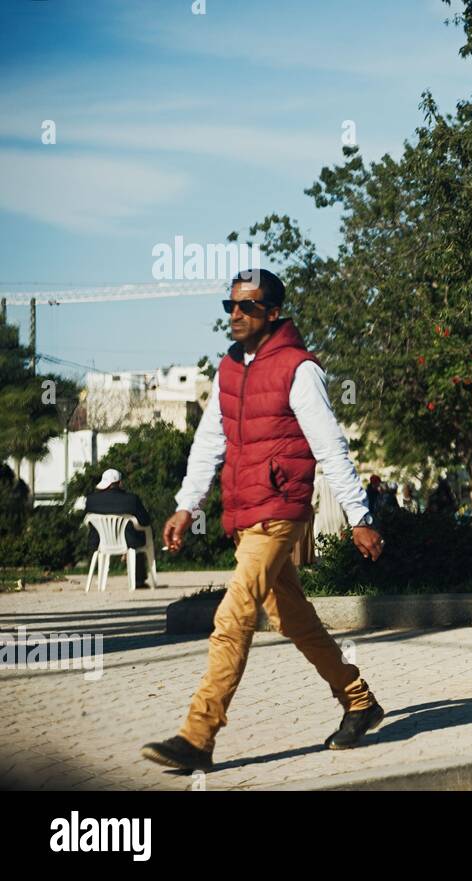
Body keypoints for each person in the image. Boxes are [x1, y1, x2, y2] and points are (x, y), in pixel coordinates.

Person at [140, 269, 386, 773]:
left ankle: (198, 734)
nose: (235, 314)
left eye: (247, 306)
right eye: (229, 305)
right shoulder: (229, 368)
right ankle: (359, 701)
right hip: (245, 515)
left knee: (232, 618)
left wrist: (360, 515)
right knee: (295, 619)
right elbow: (210, 441)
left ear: (273, 313)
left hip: (279, 513)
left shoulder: (299, 369)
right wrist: (188, 505)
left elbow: (329, 446)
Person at [84, 469, 153, 587]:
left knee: (97, 535)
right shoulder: (131, 499)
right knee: (141, 535)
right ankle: (138, 581)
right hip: (128, 542)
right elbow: (145, 521)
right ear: (119, 483)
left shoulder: (91, 500)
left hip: (100, 542)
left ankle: (99, 579)